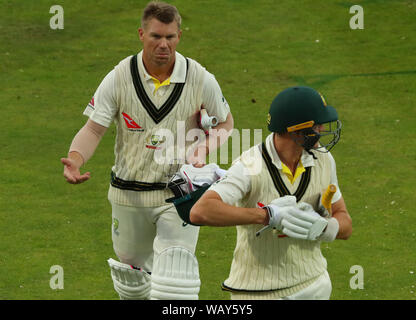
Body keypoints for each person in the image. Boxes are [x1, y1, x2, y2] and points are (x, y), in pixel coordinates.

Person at [61, 1, 233, 300]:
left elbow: (225, 123)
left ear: (179, 35)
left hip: (179, 194)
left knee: (175, 284)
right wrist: (75, 159)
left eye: (170, 37)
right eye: (156, 36)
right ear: (141, 34)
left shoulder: (200, 77)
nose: (163, 44)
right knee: (132, 283)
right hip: (128, 194)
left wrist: (204, 147)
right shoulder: (119, 77)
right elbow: (93, 129)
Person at [190, 86, 352, 300]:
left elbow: (344, 219)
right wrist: (268, 216)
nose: (322, 129)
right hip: (260, 292)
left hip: (314, 284)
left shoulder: (323, 159)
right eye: (317, 125)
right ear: (296, 130)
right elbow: (201, 211)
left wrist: (328, 228)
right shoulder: (249, 166)